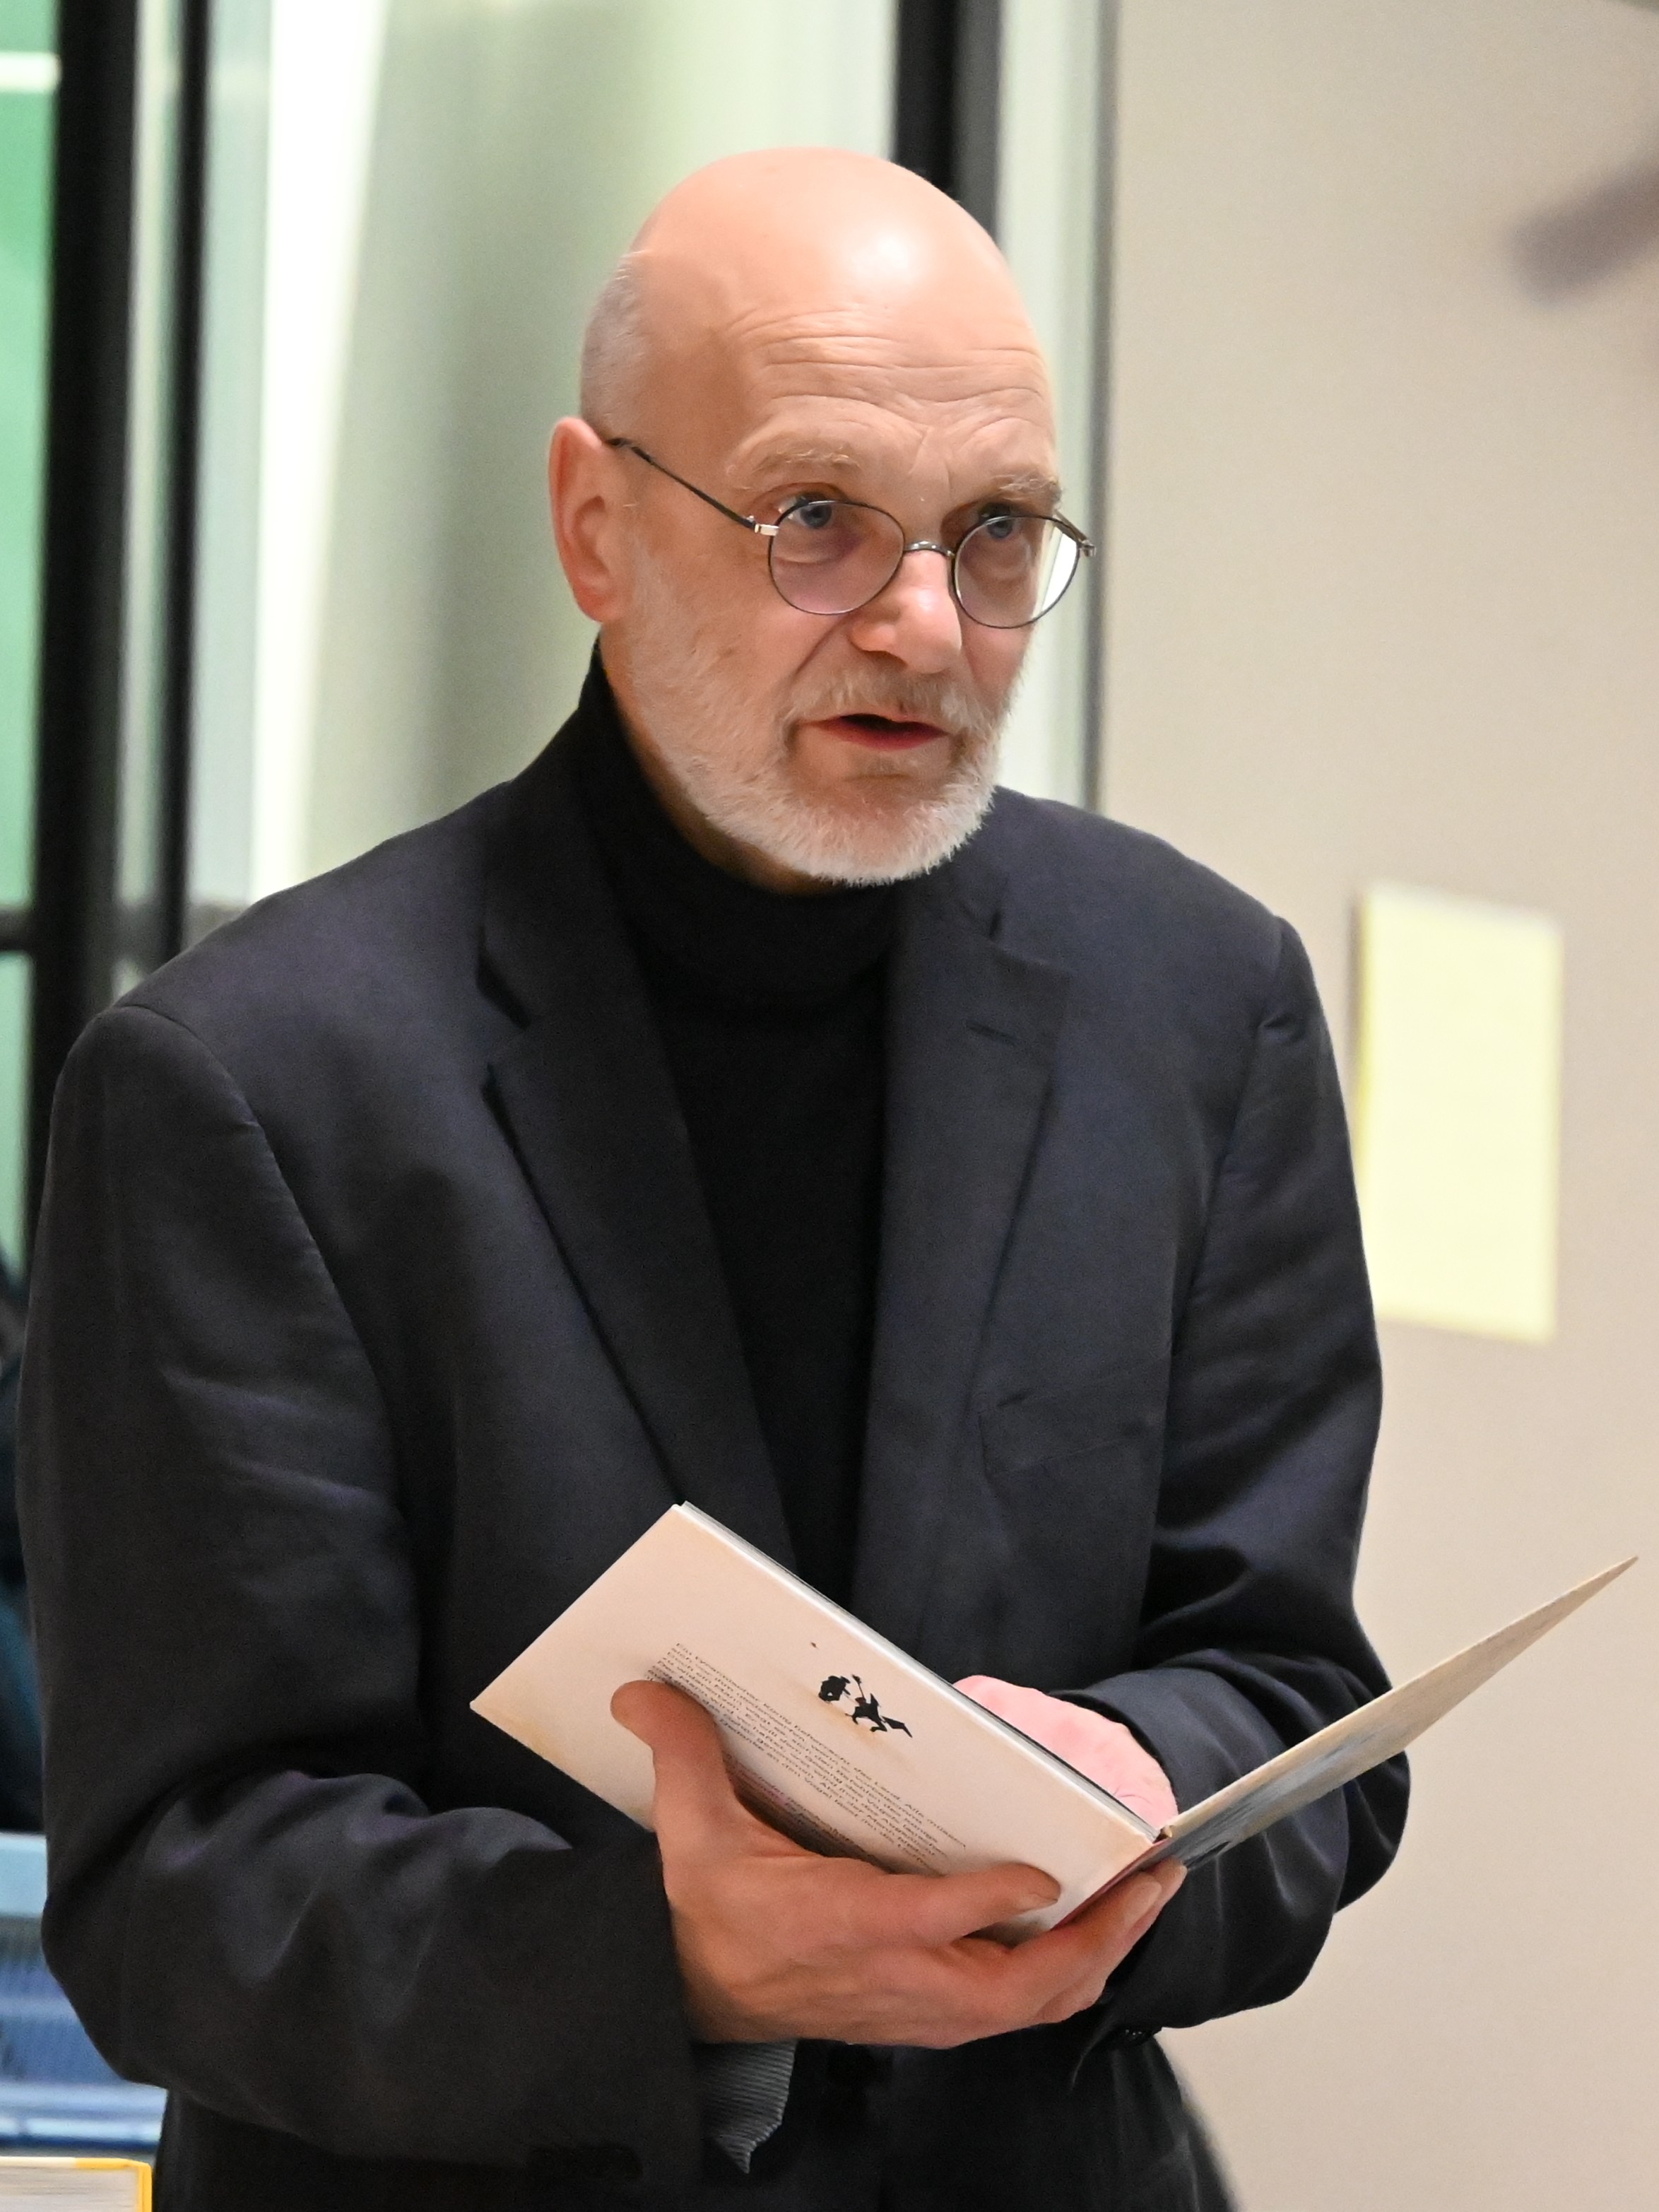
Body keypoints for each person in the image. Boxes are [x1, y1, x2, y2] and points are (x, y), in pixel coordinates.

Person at [18, 150, 1405, 2211]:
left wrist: (1148, 1781)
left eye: (996, 532)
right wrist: (664, 1960)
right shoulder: (252, 1080)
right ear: (595, 524)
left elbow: (1290, 1698)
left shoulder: (1200, 1007)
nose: (923, 624)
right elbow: (177, 1884)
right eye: (816, 518)